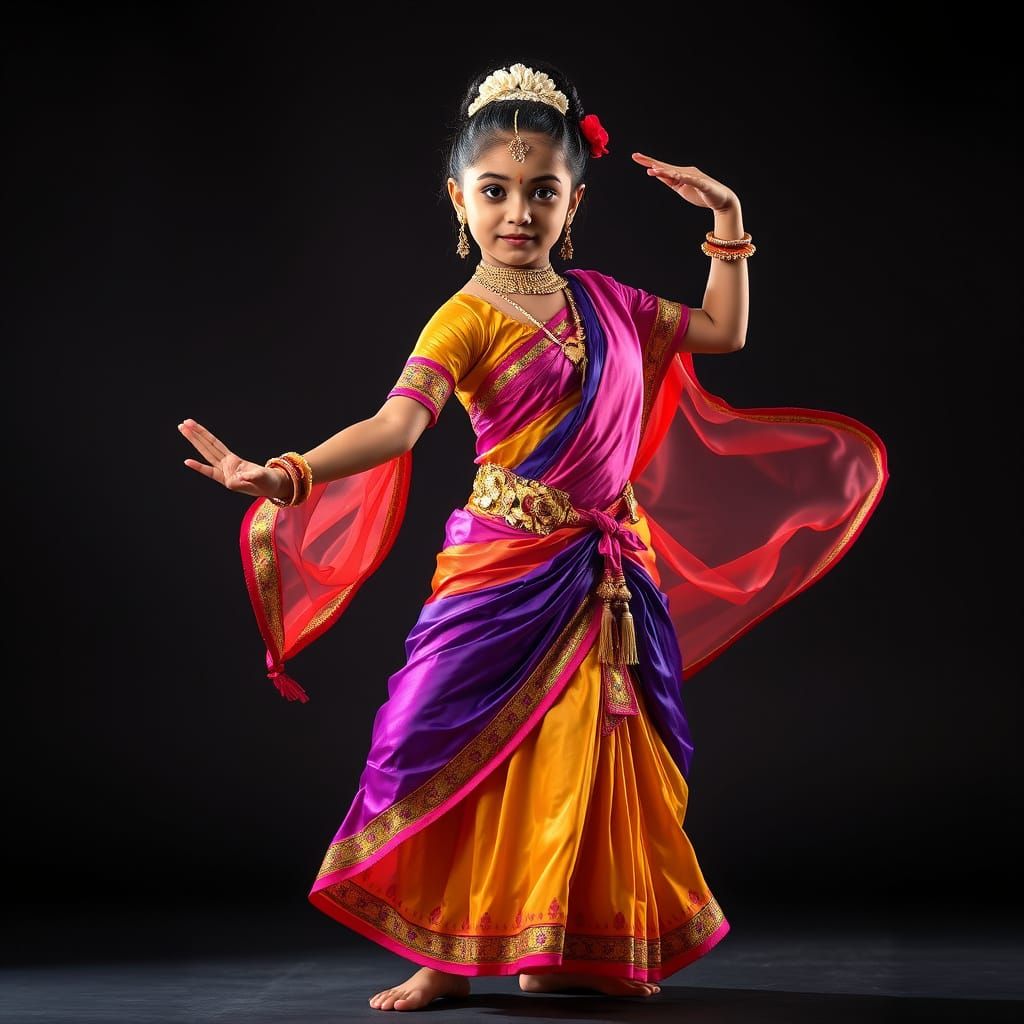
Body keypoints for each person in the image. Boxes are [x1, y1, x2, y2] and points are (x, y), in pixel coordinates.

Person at [178, 59, 888, 1012]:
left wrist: (726, 221)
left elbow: (722, 331)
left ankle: (572, 943)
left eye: (543, 192)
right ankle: (443, 952)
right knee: (434, 739)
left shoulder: (612, 302)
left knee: (588, 755)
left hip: (604, 570)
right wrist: (289, 472)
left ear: (573, 203)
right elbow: (396, 428)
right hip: (501, 566)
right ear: (459, 199)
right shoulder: (464, 317)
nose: (519, 211)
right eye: (496, 191)